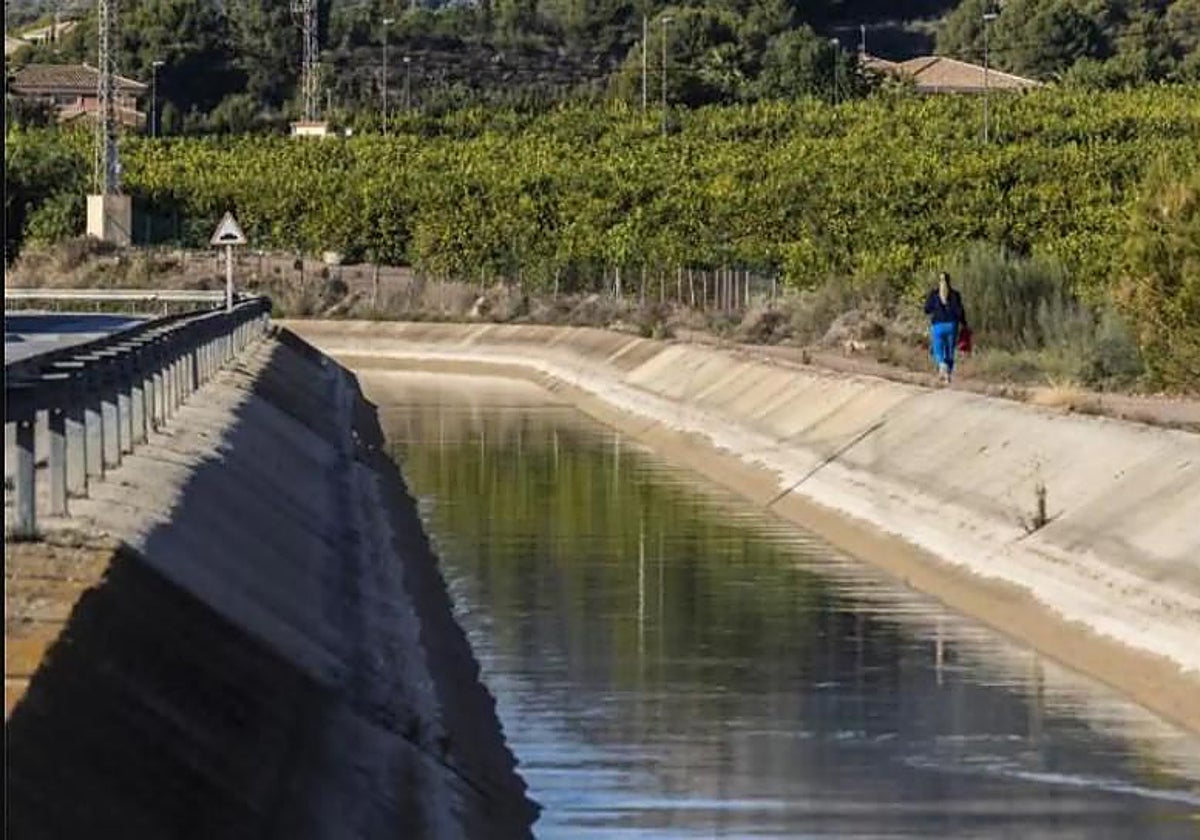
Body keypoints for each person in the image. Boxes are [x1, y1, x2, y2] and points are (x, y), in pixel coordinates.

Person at [924, 272, 968, 385]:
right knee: (950, 351)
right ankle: (948, 375)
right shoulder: (955, 294)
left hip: (938, 325)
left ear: (939, 281)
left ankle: (941, 365)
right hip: (952, 325)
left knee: (937, 350)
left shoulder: (934, 294)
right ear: (949, 281)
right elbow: (960, 311)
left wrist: (935, 307)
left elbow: (927, 309)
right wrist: (964, 323)